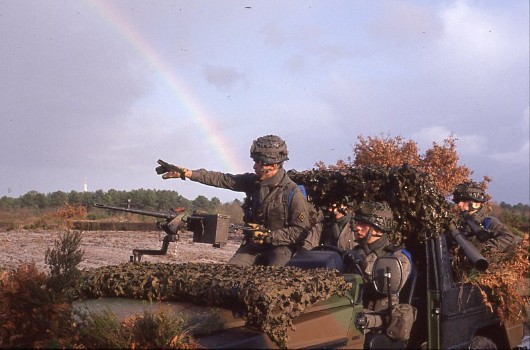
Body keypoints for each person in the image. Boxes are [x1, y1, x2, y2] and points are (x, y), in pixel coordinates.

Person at [155, 134, 312, 266]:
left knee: (276, 283)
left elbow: (300, 231)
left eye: (260, 163)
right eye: (255, 161)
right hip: (252, 246)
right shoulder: (253, 182)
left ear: (275, 165)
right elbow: (222, 179)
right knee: (229, 276)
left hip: (281, 248)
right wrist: (187, 173)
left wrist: (269, 236)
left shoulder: (293, 193)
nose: (255, 167)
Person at [346, 201, 415, 341]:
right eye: (357, 222)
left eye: (364, 224)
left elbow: (380, 289)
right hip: (350, 314)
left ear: (378, 229)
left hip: (379, 322)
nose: (357, 228)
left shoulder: (397, 258)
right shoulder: (355, 252)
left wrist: (362, 267)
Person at [452, 182, 522, 253]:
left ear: (476, 203)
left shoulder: (488, 222)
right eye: (458, 201)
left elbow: (509, 238)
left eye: (464, 201)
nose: (460, 204)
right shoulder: (458, 223)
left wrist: (482, 248)